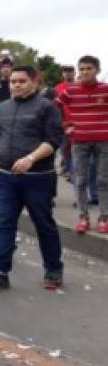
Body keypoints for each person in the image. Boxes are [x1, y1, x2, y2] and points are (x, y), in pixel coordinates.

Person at [0, 66, 64, 291]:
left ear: (35, 82)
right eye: (13, 81)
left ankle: (54, 269)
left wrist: (31, 158)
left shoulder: (47, 107)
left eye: (22, 81)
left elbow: (54, 140)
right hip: (5, 178)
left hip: (38, 178)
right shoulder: (2, 107)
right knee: (4, 223)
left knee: (43, 224)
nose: (16, 85)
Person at [56, 56, 108, 233]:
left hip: (104, 142)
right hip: (79, 141)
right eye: (83, 68)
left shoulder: (105, 89)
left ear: (97, 70)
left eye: (89, 68)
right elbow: (54, 108)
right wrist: (65, 126)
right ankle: (83, 217)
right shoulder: (71, 91)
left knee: (103, 180)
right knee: (80, 180)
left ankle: (104, 217)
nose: (85, 72)